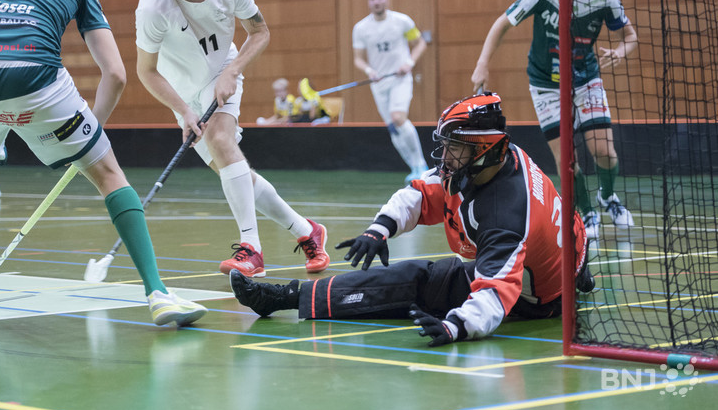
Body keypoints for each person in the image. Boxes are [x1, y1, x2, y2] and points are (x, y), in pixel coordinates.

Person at [0, 0, 207, 328]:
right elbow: (116, 74)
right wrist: (91, 136)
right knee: (106, 171)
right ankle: (158, 294)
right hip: (36, 80)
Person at [231, 92, 594, 346]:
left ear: (482, 149)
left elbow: (497, 294)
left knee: (411, 280)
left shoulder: (505, 214)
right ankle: (579, 273)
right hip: (568, 254)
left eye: (456, 147)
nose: (446, 155)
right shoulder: (501, 158)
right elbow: (421, 194)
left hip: (538, 299)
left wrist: (457, 326)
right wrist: (379, 230)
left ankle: (284, 298)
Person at [135, 0, 330, 278]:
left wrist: (233, 70)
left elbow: (259, 31)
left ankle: (251, 249)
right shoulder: (153, 6)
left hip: (223, 69)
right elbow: (146, 71)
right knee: (236, 174)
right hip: (184, 93)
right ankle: (307, 230)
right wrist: (183, 110)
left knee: (222, 141)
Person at [471, 0, 638, 239]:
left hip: (586, 79)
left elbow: (630, 37)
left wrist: (620, 51)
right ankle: (587, 215)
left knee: (604, 151)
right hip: (546, 84)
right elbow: (502, 24)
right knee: (567, 159)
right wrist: (482, 64)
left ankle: (608, 196)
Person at [352, 0, 429, 183]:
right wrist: (370, 71)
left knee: (398, 117)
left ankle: (422, 166)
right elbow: (358, 59)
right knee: (393, 128)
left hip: (400, 79)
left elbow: (420, 43)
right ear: (368, 2)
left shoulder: (402, 21)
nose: (376, 2)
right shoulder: (361, 28)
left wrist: (409, 63)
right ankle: (414, 168)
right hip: (378, 84)